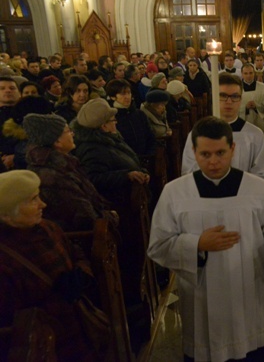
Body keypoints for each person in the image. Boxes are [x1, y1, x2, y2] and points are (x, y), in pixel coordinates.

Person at [148, 117, 264, 362]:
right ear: (194, 152)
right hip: (203, 298)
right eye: (205, 154)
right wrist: (197, 245)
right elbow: (158, 246)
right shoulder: (175, 193)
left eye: (220, 152)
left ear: (233, 149)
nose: (214, 161)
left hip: (250, 293)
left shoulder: (258, 188)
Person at [0, 170, 96, 361]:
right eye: (33, 199)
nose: (43, 204)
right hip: (49, 348)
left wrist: (81, 274)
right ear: (7, 215)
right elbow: (16, 325)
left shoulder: (47, 227)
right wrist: (55, 299)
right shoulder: (5, 260)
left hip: (80, 331)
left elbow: (76, 252)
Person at [23, 113, 116, 231]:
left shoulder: (64, 163)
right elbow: (84, 216)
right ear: (57, 142)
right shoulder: (53, 174)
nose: (72, 134)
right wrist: (110, 217)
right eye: (68, 131)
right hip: (80, 238)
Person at [181, 73, 264, 183]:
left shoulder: (254, 134)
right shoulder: (198, 134)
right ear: (214, 97)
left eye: (234, 96)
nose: (229, 101)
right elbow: (189, 172)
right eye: (223, 96)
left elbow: (263, 173)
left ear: (240, 100)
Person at [106, 79, 157, 156]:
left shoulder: (139, 114)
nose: (127, 97)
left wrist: (149, 154)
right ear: (113, 97)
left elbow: (150, 136)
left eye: (129, 93)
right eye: (123, 94)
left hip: (145, 159)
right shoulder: (112, 118)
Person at [239, 63, 264, 141]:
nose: (248, 76)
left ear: (254, 73)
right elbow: (233, 107)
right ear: (242, 74)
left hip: (259, 123)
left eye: (251, 73)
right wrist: (245, 107)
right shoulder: (237, 88)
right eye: (245, 73)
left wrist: (257, 106)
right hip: (243, 123)